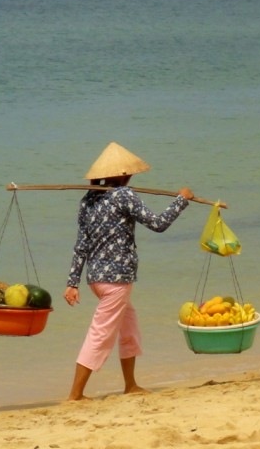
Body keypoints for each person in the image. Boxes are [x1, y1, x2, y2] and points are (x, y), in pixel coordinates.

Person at [64, 142, 194, 401]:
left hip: (96, 279)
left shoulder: (88, 200)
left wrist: (73, 282)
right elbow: (158, 224)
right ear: (124, 175)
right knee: (100, 333)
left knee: (130, 328)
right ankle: (75, 394)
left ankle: (131, 385)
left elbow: (82, 244)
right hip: (117, 279)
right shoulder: (124, 195)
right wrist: (182, 200)